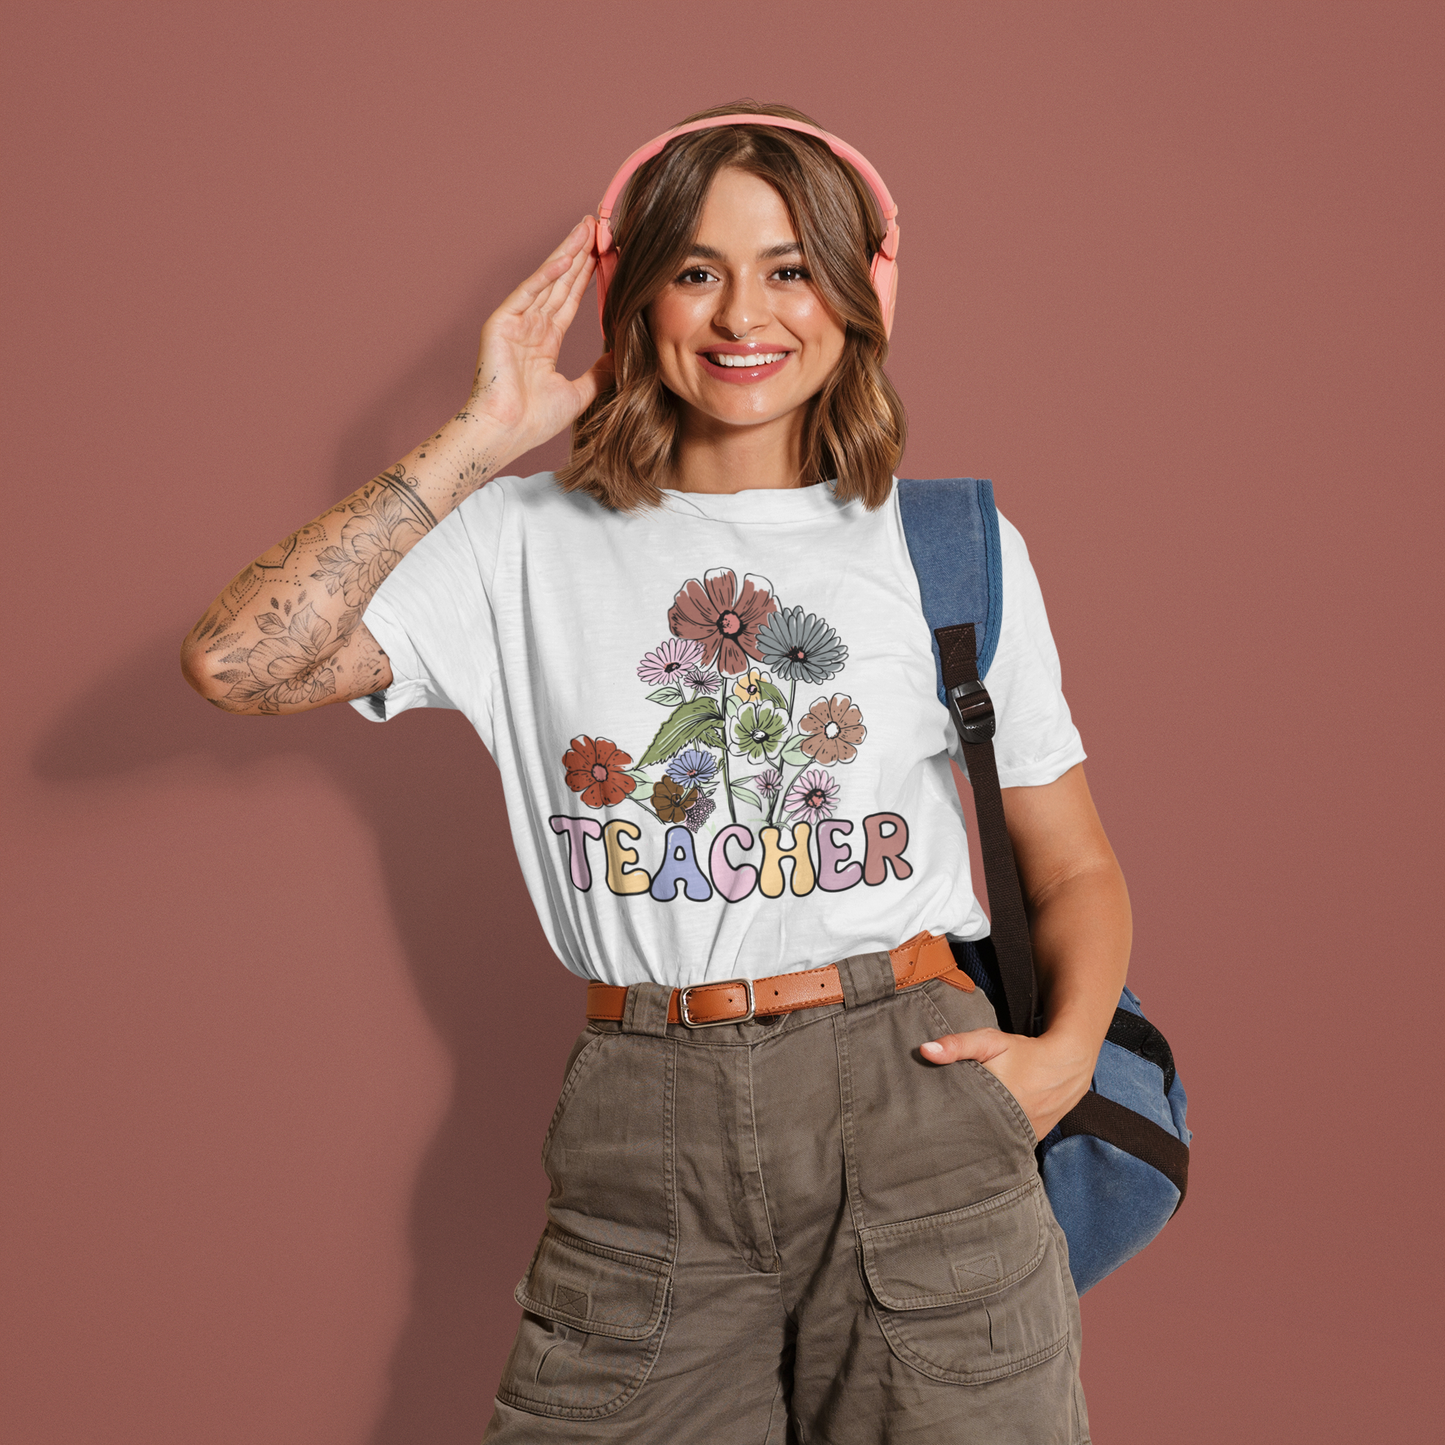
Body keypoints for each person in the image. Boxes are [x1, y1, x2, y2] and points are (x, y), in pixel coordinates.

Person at [181, 101, 1127, 1444]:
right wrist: (483, 433)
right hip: (646, 1117)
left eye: (792, 267)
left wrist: (1063, 1059)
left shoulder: (948, 542)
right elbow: (240, 663)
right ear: (635, 299)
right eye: (697, 269)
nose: (745, 312)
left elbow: (1075, 862)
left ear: (859, 296)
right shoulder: (518, 540)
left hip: (913, 1085)